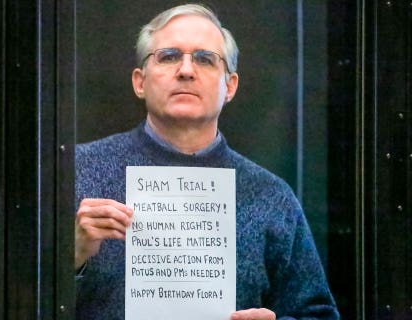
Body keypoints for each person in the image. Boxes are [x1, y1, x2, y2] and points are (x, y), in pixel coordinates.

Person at [74, 4, 339, 320]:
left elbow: (318, 313)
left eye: (204, 59)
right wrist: (69, 257)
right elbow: (12, 297)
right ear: (140, 82)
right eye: (169, 56)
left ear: (230, 87)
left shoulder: (271, 195)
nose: (186, 70)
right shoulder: (74, 172)